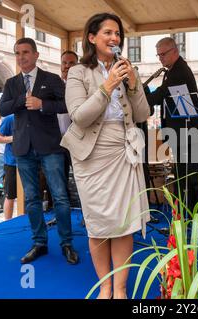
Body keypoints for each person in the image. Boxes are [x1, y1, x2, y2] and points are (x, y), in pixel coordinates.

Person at [60, 13, 150, 299]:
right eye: (108, 33)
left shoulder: (126, 68)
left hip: (124, 152)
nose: (114, 39)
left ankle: (120, 289)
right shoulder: (78, 72)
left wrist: (133, 84)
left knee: (124, 223)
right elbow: (79, 117)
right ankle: (105, 287)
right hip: (92, 156)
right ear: (91, 38)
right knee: (99, 224)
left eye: (117, 34)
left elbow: (144, 114)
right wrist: (108, 84)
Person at [0, 37, 78, 265]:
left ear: (35, 55)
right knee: (32, 199)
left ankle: (67, 243)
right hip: (23, 149)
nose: (21, 57)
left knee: (60, 196)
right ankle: (39, 242)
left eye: (25, 52)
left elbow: (67, 104)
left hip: (50, 147)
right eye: (17, 53)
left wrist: (42, 104)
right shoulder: (12, 83)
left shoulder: (51, 79)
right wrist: (21, 101)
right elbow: (3, 108)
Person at [144, 37, 198, 217]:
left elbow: (160, 95)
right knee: (184, 178)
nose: (160, 58)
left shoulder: (178, 71)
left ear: (175, 51)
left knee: (193, 179)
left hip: (190, 134)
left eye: (163, 54)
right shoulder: (172, 70)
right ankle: (185, 217)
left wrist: (141, 97)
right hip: (183, 134)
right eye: (158, 55)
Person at [0, 114, 16, 220]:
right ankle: (7, 222)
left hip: (31, 161)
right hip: (12, 162)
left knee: (31, 195)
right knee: (10, 195)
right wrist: (13, 138)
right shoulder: (10, 118)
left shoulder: (35, 115)